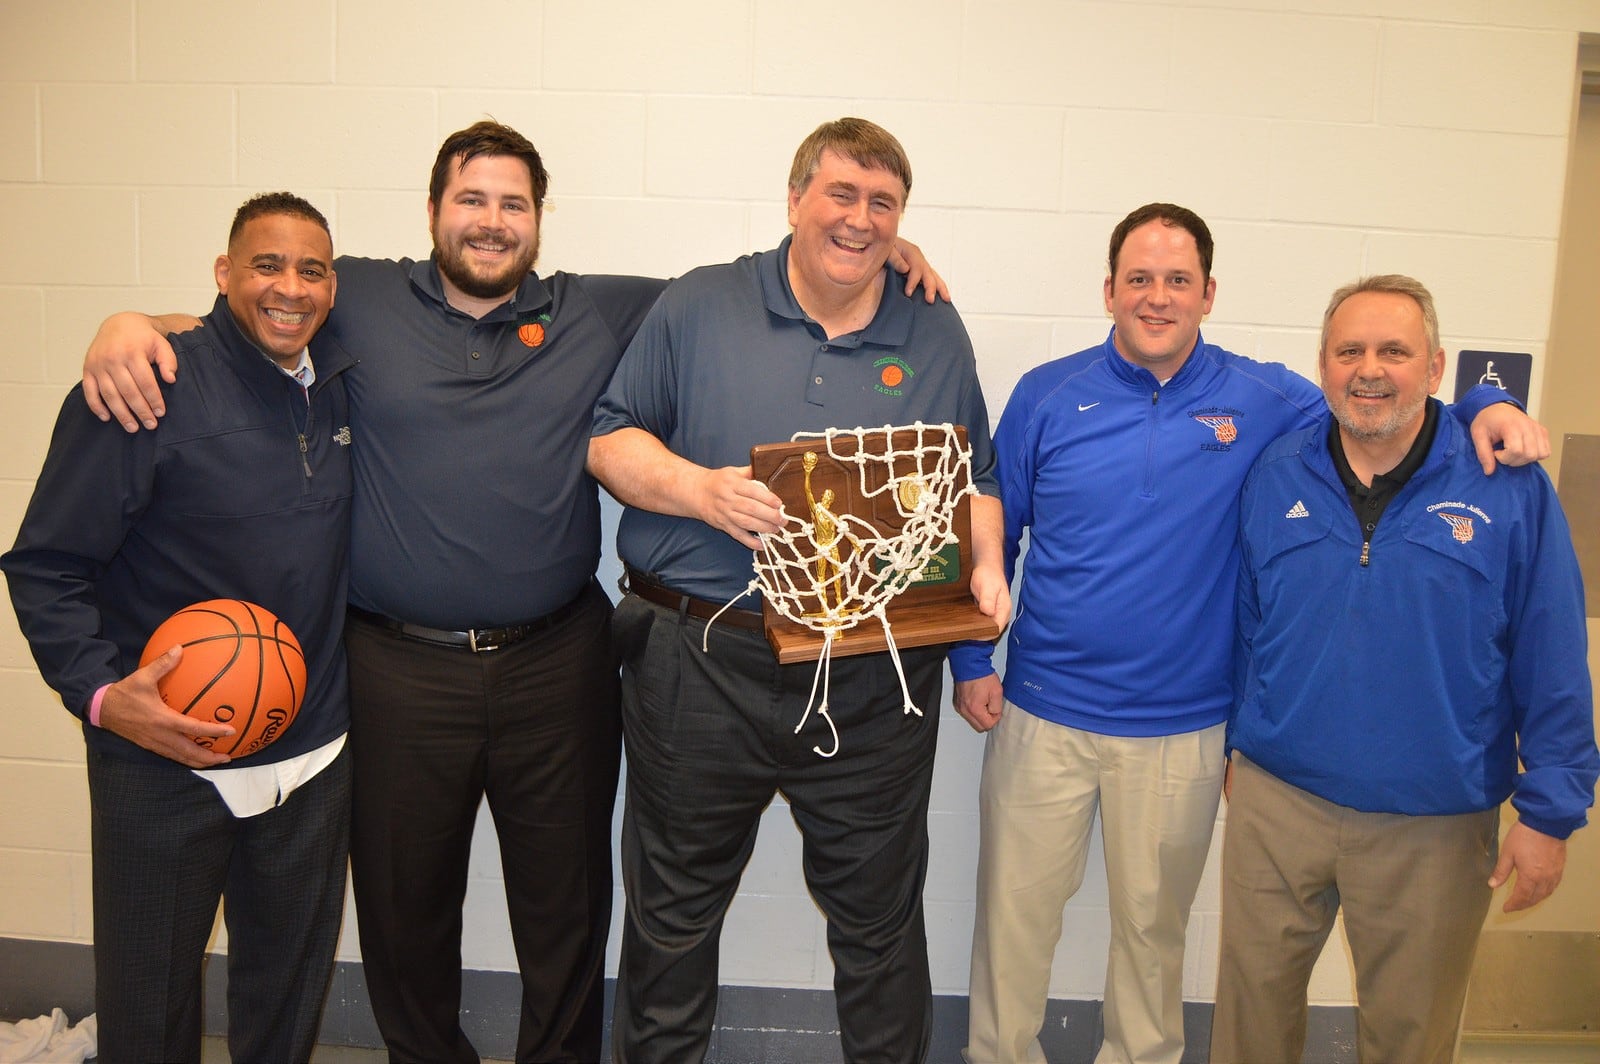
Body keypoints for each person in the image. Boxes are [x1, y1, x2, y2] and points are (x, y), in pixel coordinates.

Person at [79, 121, 947, 1063]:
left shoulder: (597, 309)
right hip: (396, 665)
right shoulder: (356, 294)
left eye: (513, 205)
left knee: (567, 909)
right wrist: (125, 325)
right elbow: (254, 309)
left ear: (539, 220)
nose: (491, 223)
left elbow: (757, 292)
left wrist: (868, 249)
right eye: (472, 201)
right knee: (405, 911)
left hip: (555, 661)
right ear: (433, 212)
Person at [946, 204, 1551, 1064]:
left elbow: (1380, 405)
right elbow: (993, 528)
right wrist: (973, 656)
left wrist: (1485, 403)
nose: (1158, 297)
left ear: (1209, 293)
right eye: (1140, 279)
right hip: (1042, 714)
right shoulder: (1048, 393)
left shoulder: (1266, 401)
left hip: (1183, 730)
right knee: (1010, 930)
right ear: (1110, 290)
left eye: (1179, 280)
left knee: (1152, 945)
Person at [588, 116, 1008, 1063]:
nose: (859, 221)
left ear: (902, 220)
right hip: (699, 659)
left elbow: (974, 475)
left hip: (872, 671)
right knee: (671, 916)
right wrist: (697, 489)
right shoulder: (700, 304)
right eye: (841, 195)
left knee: (881, 924)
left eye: (883, 205)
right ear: (794, 199)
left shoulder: (932, 327)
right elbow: (609, 439)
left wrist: (986, 564)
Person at [2, 192, 353, 1063]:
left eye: (311, 269)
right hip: (162, 754)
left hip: (308, 752)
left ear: (334, 287)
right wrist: (98, 694)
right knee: (147, 1006)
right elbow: (45, 565)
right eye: (266, 264)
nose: (289, 287)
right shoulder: (142, 386)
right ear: (223, 274)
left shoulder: (346, 383)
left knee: (284, 997)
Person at [1212, 274, 1598, 1064]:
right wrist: (1239, 750)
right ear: (1322, 364)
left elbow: (1552, 651)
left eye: (1395, 350)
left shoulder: (1508, 488)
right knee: (1249, 1026)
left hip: (1435, 822)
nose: (1370, 369)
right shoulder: (1276, 472)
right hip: (1278, 806)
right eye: (1350, 350)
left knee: (1410, 1040)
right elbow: (1251, 625)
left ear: (1435, 367)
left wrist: (1551, 810)